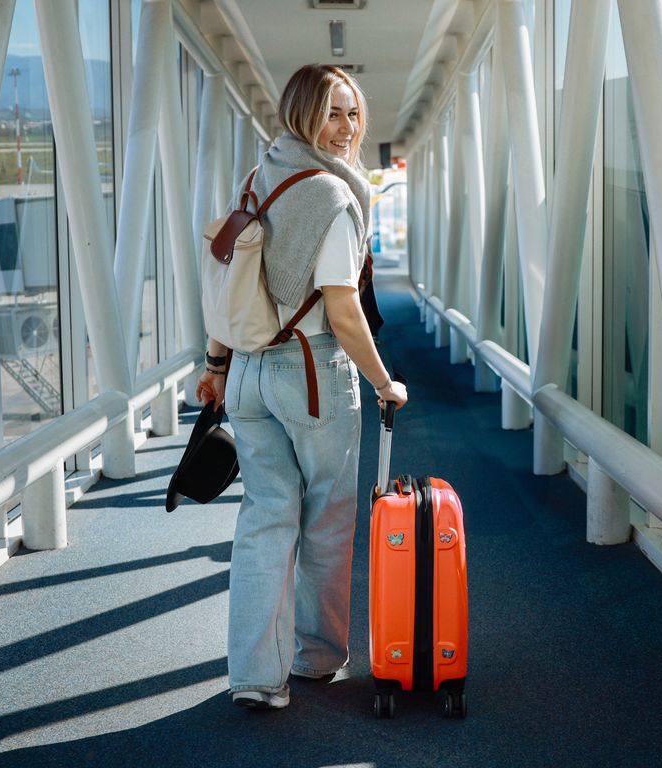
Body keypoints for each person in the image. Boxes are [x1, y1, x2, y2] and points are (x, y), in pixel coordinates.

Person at [196, 64, 408, 711]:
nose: (345, 128)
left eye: (352, 113)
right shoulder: (333, 196)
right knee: (327, 521)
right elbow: (342, 309)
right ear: (301, 115)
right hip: (312, 374)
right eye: (331, 113)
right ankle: (315, 657)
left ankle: (256, 676)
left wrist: (216, 364)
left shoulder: (258, 179)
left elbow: (232, 284)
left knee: (264, 518)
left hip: (249, 374)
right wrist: (383, 382)